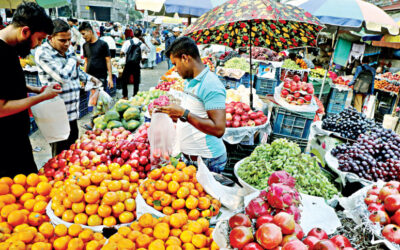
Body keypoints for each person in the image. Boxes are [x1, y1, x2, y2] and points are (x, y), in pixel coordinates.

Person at [0, 2, 61, 177]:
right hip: (5, 146)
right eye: (40, 39)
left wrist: (36, 89)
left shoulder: (10, 47)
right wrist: (41, 98)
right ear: (25, 31)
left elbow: (8, 84)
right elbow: (1, 108)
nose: (38, 45)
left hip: (17, 138)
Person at [156, 37, 227, 173]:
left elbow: (219, 129)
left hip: (207, 161)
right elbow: (195, 114)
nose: (175, 69)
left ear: (185, 58)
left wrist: (184, 114)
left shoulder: (210, 84)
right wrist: (175, 116)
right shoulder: (190, 80)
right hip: (190, 160)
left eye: (175, 64)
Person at [35, 19, 102, 157]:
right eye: (62, 40)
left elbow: (75, 71)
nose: (67, 44)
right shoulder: (43, 53)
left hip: (72, 112)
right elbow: (62, 77)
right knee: (60, 155)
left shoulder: (69, 49)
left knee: (72, 151)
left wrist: (89, 78)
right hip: (56, 115)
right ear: (50, 38)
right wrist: (73, 60)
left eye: (69, 40)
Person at [120, 29, 149, 98]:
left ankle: (125, 95)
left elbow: (122, 52)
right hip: (136, 64)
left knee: (124, 80)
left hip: (128, 64)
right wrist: (144, 42)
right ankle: (135, 95)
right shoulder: (142, 44)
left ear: (133, 34)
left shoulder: (127, 42)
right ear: (140, 35)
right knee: (136, 81)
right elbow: (148, 50)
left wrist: (123, 56)